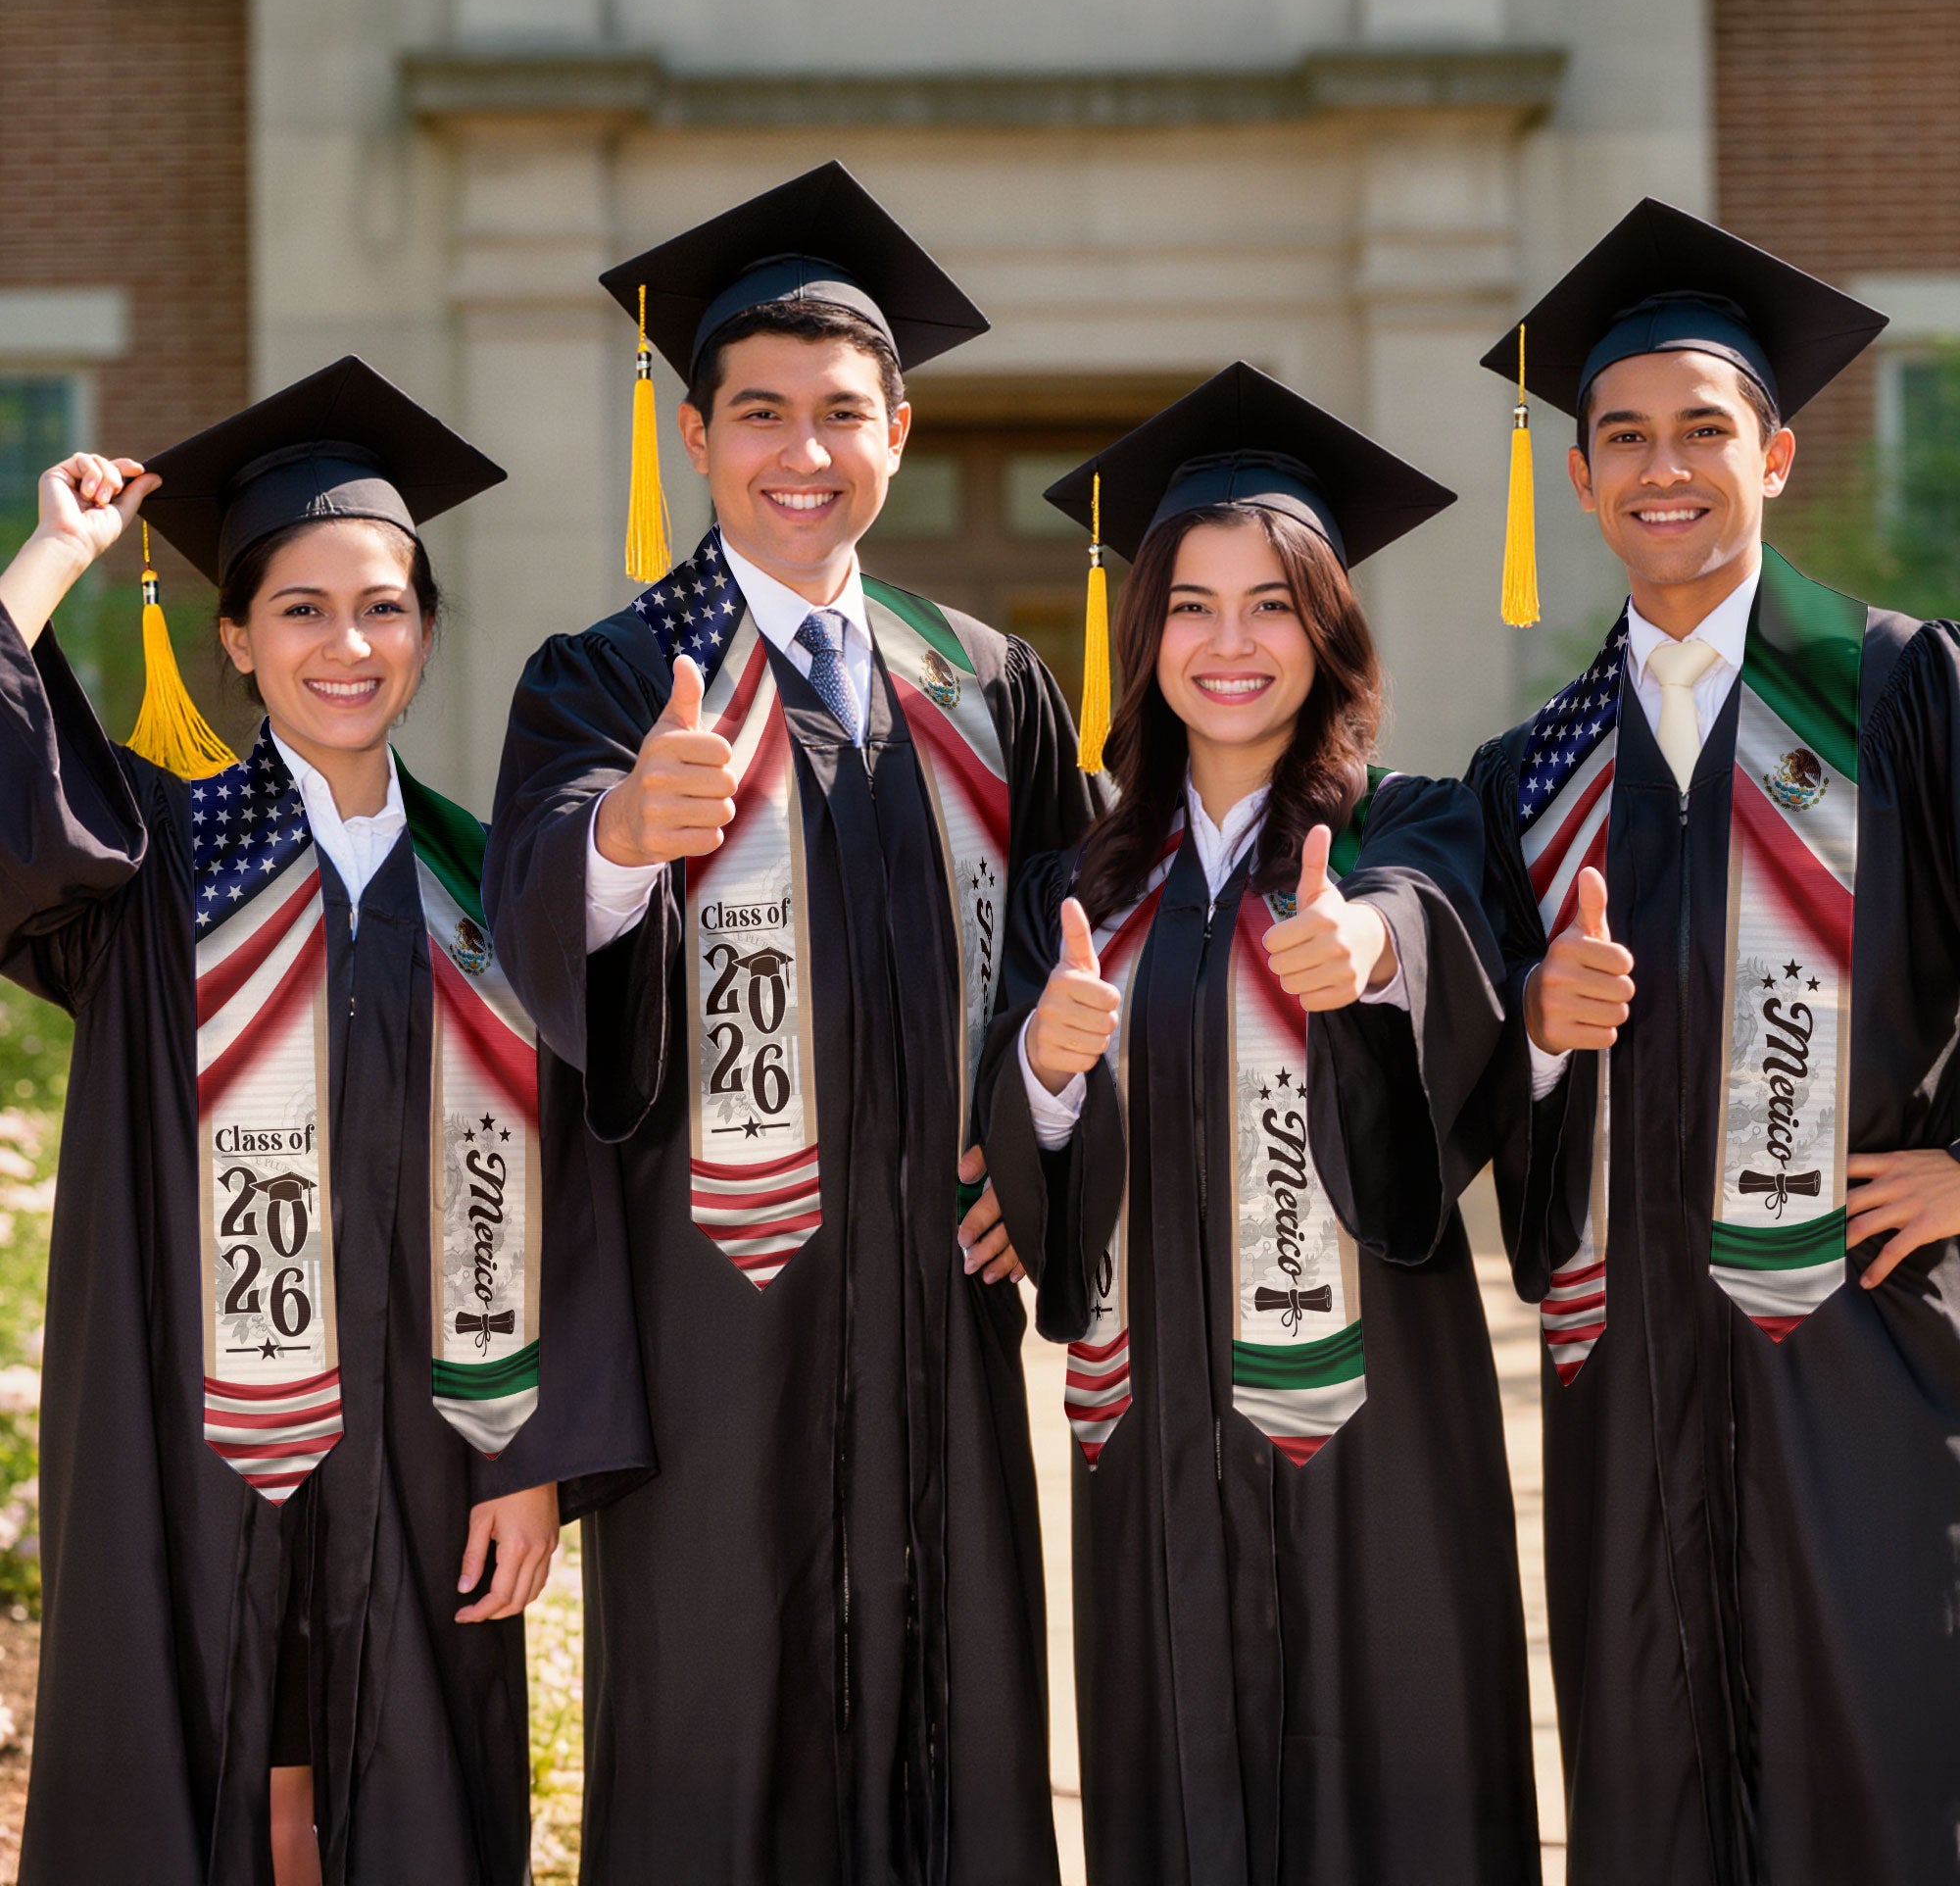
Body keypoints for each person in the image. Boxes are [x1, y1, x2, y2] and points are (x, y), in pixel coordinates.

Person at [484, 162, 1099, 1885]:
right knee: (721, 1732)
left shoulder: (985, 679)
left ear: (899, 430)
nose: (802, 453)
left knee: (956, 1717)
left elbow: (1087, 945)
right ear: (696, 437)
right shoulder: (607, 676)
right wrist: (619, 837)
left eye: (843, 413)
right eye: (760, 414)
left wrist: (1038, 1151)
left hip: (938, 1307)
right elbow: (534, 925)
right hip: (718, 1319)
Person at [0, 357, 650, 1886]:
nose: (345, 644)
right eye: (299, 608)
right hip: (191, 1431)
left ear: (425, 630)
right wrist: (51, 560)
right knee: (205, 1764)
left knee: (412, 1788)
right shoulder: (153, 860)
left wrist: (534, 1454)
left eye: (383, 606)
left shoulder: (494, 887)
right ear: (234, 637)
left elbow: (577, 1181)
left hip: (433, 1447)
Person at [979, 364, 1540, 1884]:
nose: (1232, 645)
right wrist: (1041, 1059)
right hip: (1155, 1427)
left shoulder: (1412, 825)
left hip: (1376, 1429)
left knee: (1396, 1780)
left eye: (1274, 604)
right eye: (1192, 606)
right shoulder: (1083, 889)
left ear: (1330, 629)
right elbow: (1028, 1159)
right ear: (1143, 633)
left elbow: (1437, 934)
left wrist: (1367, 954)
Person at [1468, 199, 1960, 1885]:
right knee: (1650, 1777)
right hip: (1628, 1379)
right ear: (1584, 476)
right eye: (1622, 437)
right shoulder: (1532, 775)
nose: (1660, 467)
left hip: (1864, 1355)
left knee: (1880, 1764)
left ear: (1777, 454)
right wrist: (1533, 1033)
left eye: (1702, 430)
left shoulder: (1900, 693)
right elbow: (1466, 1080)